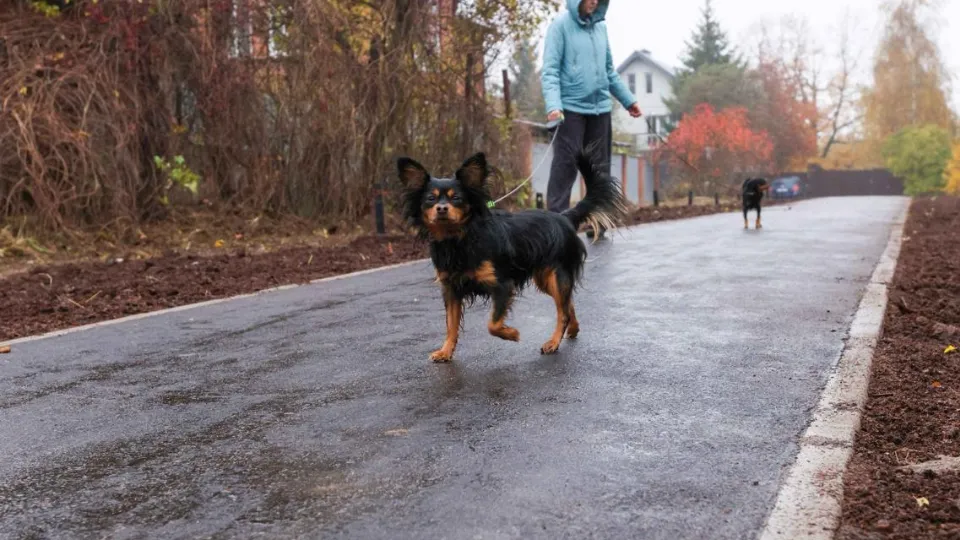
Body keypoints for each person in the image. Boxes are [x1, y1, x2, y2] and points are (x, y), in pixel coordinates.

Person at [541, 0, 642, 238]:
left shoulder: (601, 29)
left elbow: (609, 71)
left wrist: (629, 100)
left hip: (600, 109)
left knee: (600, 168)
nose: (594, 1)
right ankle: (558, 223)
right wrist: (554, 106)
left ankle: (599, 220)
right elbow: (550, 71)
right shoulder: (560, 27)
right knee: (565, 166)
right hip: (570, 108)